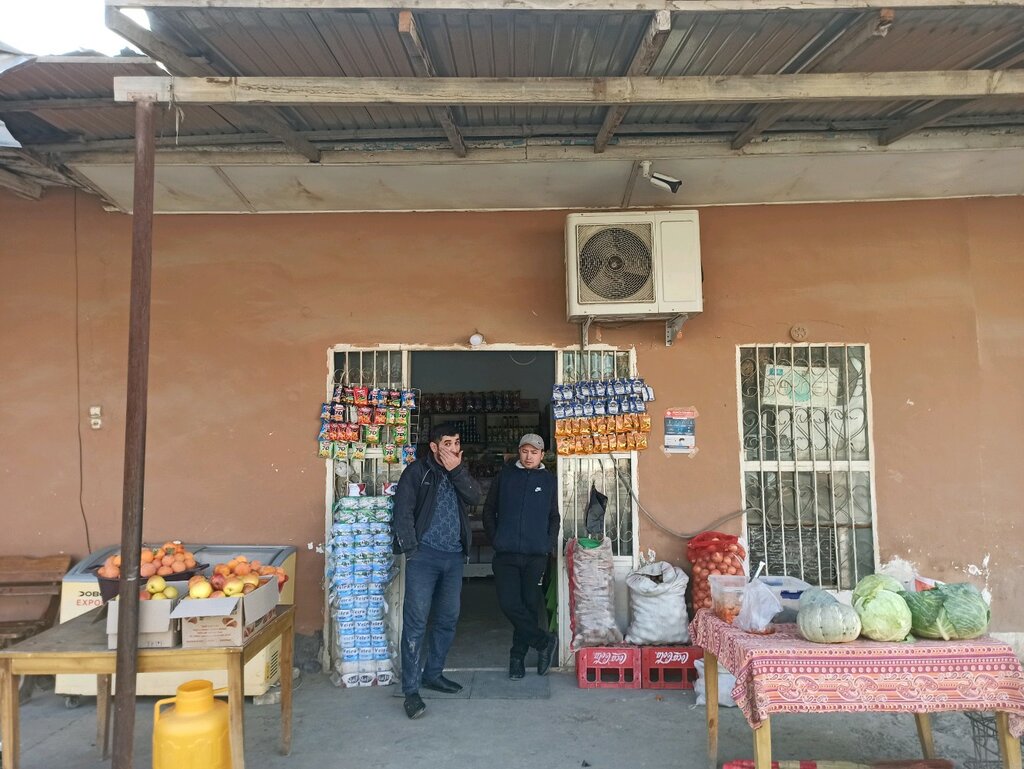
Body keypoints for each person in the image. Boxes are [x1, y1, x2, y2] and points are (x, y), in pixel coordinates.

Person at [392, 422, 482, 719]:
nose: (453, 448)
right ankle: (411, 691)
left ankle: (433, 673)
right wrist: (412, 550)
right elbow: (402, 512)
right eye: (447, 443)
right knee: (416, 622)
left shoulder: (458, 471)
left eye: (456, 442)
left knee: (447, 619)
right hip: (424, 558)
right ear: (433, 446)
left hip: (453, 557)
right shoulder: (416, 472)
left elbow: (475, 497)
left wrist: (457, 471)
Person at [482, 433, 559, 680]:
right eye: (525, 451)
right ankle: (544, 641)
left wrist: (547, 544)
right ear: (519, 452)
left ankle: (517, 658)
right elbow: (489, 509)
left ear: (542, 455)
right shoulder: (505, 476)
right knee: (509, 604)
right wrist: (496, 538)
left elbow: (554, 517)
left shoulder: (549, 481)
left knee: (529, 606)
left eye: (534, 452)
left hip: (535, 556)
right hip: (506, 554)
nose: (529, 456)